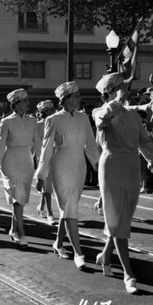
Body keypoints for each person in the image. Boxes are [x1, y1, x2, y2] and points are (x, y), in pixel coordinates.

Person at [93, 73, 153, 294]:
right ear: (110, 91)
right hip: (112, 164)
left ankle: (105, 256)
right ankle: (128, 273)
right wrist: (115, 100)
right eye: (122, 87)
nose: (127, 90)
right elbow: (101, 121)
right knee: (118, 220)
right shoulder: (101, 111)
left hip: (131, 165)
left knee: (122, 217)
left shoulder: (133, 115)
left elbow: (144, 142)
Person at [36, 82, 100, 270]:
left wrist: (99, 166)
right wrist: (41, 175)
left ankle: (58, 243)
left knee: (68, 210)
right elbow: (46, 148)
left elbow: (90, 144)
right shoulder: (53, 120)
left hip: (79, 167)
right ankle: (79, 252)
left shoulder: (83, 118)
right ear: (65, 99)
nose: (80, 99)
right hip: (61, 166)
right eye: (76, 96)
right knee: (69, 208)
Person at [0, 89, 42, 246]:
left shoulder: (32, 121)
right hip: (11, 162)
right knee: (17, 199)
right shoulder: (6, 122)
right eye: (25, 100)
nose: (28, 103)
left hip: (26, 162)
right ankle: (21, 233)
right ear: (16, 104)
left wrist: (42, 165)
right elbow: (0, 147)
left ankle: (13, 229)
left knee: (20, 199)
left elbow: (38, 145)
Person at [35, 99, 56, 225]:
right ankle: (50, 212)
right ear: (45, 112)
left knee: (48, 185)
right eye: (51, 110)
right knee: (47, 185)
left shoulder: (56, 122)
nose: (53, 111)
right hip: (43, 158)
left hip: (55, 157)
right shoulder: (37, 125)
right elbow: (34, 143)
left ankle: (41, 206)